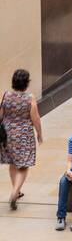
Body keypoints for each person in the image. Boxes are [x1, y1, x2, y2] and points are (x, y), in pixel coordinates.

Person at [0, 69, 42, 210]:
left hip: (7, 135)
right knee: (23, 165)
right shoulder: (30, 98)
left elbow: (0, 115)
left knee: (13, 162)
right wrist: (39, 133)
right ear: (27, 83)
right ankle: (15, 192)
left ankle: (16, 191)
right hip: (24, 135)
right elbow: (35, 118)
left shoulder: (5, 95)